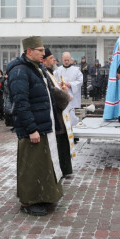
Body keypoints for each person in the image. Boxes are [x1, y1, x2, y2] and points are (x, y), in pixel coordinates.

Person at [7, 36, 63, 216]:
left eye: (43, 49)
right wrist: (31, 129)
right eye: (40, 50)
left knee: (42, 164)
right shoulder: (20, 71)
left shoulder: (37, 68)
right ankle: (29, 202)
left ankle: (44, 195)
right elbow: (21, 103)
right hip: (33, 128)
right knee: (30, 167)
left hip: (43, 125)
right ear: (29, 51)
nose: (44, 53)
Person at [43, 48, 75, 177]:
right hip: (56, 114)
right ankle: (62, 169)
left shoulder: (51, 72)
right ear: (44, 61)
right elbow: (52, 92)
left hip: (60, 114)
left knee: (63, 143)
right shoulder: (45, 73)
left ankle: (65, 169)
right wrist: (66, 96)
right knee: (60, 145)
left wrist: (63, 89)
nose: (54, 60)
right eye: (51, 58)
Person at [54, 52, 83, 126]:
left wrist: (71, 84)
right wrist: (59, 84)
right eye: (65, 60)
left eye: (68, 60)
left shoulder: (76, 70)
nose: (66, 62)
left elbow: (80, 81)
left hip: (73, 96)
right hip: (62, 96)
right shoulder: (57, 70)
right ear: (62, 60)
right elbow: (54, 81)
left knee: (73, 117)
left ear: (70, 60)